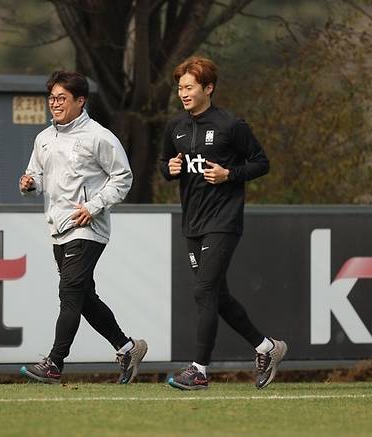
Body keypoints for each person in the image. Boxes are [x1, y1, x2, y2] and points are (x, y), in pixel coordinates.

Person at [160, 56, 287, 390]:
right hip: (193, 222)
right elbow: (164, 163)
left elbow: (262, 163)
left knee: (203, 290)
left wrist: (229, 174)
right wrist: (168, 169)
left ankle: (199, 370)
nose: (183, 93)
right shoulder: (176, 127)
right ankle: (266, 348)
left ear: (208, 88)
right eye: (180, 88)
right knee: (216, 295)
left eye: (189, 87)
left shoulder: (231, 125)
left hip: (224, 220)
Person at [18, 70, 147, 384]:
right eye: (52, 98)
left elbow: (123, 177)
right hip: (58, 227)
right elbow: (36, 175)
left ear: (80, 101)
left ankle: (54, 364)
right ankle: (127, 347)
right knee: (84, 296)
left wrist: (93, 206)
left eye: (62, 98)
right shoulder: (44, 138)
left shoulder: (99, 136)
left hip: (88, 228)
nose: (55, 104)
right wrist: (29, 183)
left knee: (69, 293)